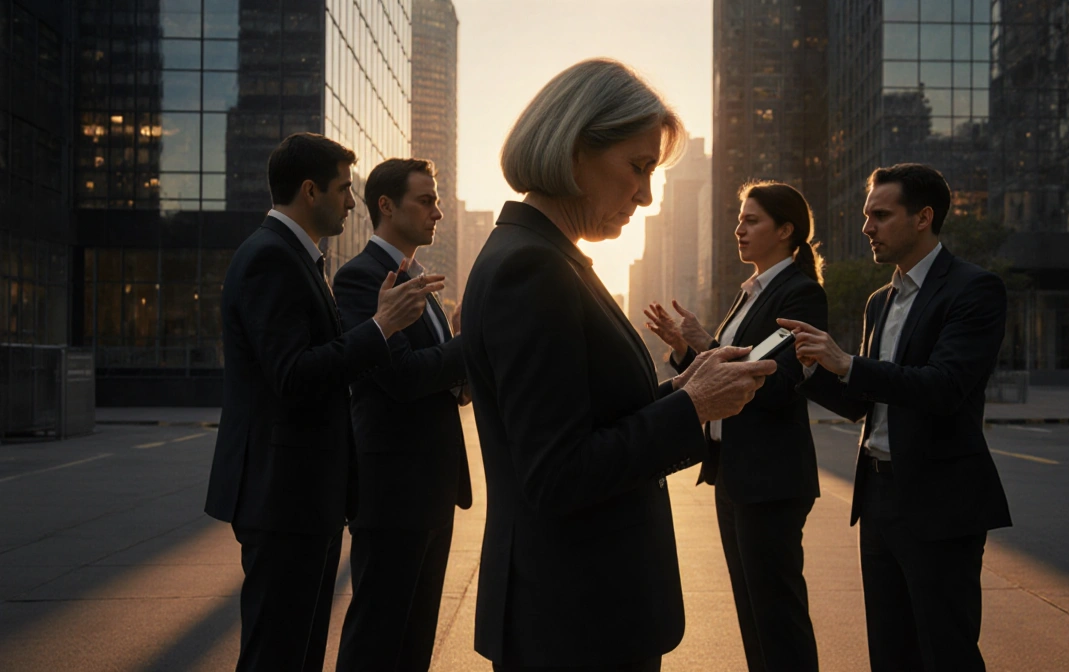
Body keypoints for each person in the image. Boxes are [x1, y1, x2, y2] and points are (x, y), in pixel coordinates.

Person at [460, 58, 778, 672]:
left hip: (578, 612)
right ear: (575, 148)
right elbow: (557, 473)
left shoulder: (549, 257)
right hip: (574, 622)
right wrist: (693, 407)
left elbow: (584, 412)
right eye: (638, 167)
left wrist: (681, 388)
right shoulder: (533, 269)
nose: (646, 193)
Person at [204, 133, 444, 672]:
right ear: (310, 191)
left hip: (301, 495)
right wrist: (382, 328)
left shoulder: (294, 257)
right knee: (279, 654)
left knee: (298, 652)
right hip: (283, 495)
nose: (352, 202)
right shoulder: (271, 258)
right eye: (343, 189)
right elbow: (292, 375)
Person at [781, 163, 1012, 672]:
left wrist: (849, 362)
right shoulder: (879, 300)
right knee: (889, 653)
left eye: (881, 216)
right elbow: (867, 403)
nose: (867, 227)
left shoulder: (975, 290)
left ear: (924, 217)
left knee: (945, 652)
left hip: (940, 500)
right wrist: (813, 371)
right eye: (867, 216)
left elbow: (945, 387)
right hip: (879, 497)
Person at [643, 181, 828, 672]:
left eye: (752, 220)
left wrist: (707, 351)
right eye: (740, 219)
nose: (739, 229)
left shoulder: (798, 293)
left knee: (777, 616)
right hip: (736, 473)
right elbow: (728, 366)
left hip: (770, 477)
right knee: (753, 613)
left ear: (786, 230)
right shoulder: (753, 292)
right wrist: (690, 349)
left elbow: (779, 379)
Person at [332, 158, 473, 671]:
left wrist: (460, 357)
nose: (437, 212)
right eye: (427, 200)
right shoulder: (359, 279)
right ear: (386, 207)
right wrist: (470, 346)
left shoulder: (417, 279)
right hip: (392, 491)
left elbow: (436, 379)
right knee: (377, 637)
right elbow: (401, 378)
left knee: (414, 641)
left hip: (432, 488)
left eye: (437, 201)